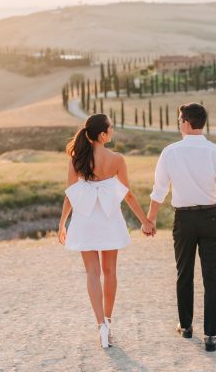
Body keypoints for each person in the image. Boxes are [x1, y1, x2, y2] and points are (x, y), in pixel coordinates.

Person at [146, 102, 216, 352]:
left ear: (185, 122)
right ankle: (211, 336)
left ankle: (186, 326)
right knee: (211, 276)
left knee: (184, 273)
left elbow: (159, 191)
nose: (178, 123)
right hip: (212, 218)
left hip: (184, 220)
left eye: (179, 119)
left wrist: (150, 219)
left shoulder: (170, 152)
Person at [57, 114, 154, 349]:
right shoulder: (117, 159)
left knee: (92, 273)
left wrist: (62, 224)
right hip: (109, 219)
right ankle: (108, 322)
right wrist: (145, 221)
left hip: (85, 220)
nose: (113, 131)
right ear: (103, 134)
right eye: (111, 128)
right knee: (110, 272)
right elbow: (128, 195)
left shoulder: (76, 159)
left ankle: (100, 326)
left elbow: (71, 194)